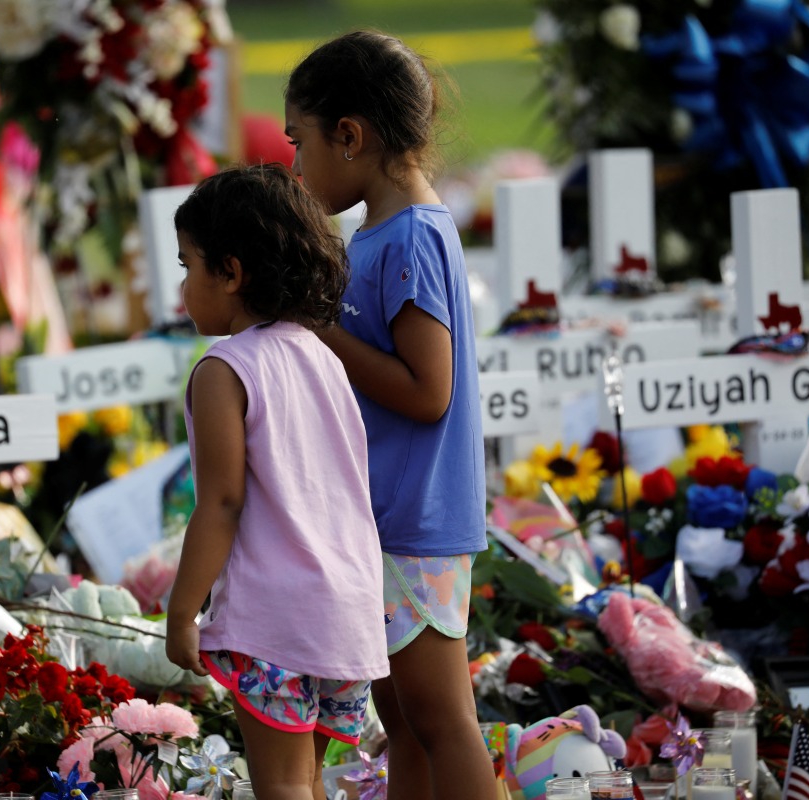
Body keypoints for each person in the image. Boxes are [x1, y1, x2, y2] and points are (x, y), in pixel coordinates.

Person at [285, 30, 497, 800]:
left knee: (443, 719)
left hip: (414, 516)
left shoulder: (408, 235)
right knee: (403, 719)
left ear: (350, 135)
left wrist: (318, 329)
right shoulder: (381, 232)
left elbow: (426, 389)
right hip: (389, 516)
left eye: (298, 142)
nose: (296, 165)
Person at [165, 164, 390, 800]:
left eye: (188, 266)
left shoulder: (225, 369)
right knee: (310, 782)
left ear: (231, 273)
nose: (182, 286)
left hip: (276, 618)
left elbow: (222, 501)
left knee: (283, 786)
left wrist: (184, 610)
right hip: (347, 607)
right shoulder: (324, 357)